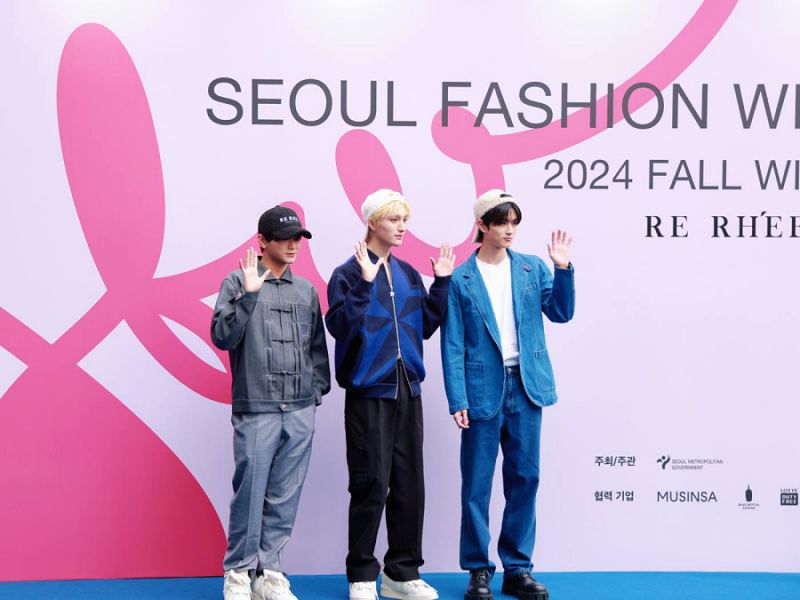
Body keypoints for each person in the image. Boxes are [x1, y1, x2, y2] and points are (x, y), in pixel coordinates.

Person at [441, 190, 575, 600]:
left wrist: (563, 269)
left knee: (525, 479)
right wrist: (457, 398)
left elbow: (561, 312)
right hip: (482, 390)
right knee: (476, 484)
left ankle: (517, 568)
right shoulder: (461, 279)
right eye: (501, 222)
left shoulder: (533, 268)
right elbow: (453, 343)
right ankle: (478, 569)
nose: (509, 230)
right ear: (482, 225)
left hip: (527, 386)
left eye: (514, 222)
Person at [325, 189, 454, 600]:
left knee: (409, 482)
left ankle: (402, 573)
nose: (402, 227)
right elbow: (340, 327)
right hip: (368, 390)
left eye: (404, 220)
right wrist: (365, 283)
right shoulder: (346, 274)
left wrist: (442, 284)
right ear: (372, 222)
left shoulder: (409, 274)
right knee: (371, 482)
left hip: (408, 388)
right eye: (394, 219)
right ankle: (362, 575)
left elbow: (425, 325)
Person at [211, 205, 331, 600]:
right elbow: (222, 337)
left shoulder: (306, 290)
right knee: (250, 491)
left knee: (285, 493)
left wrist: (314, 394)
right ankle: (238, 573)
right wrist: (248, 295)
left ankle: (270, 573)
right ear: (263, 241)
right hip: (257, 406)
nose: (293, 245)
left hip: (299, 409)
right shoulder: (237, 281)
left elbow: (316, 348)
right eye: (284, 238)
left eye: (297, 238)